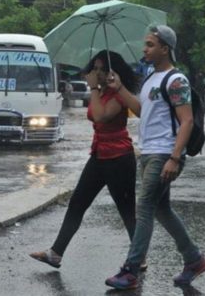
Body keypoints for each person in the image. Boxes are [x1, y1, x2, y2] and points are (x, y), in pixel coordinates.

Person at [105, 25, 205, 290]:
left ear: (165, 48)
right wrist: (118, 89)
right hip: (149, 152)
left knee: (145, 206)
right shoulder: (151, 78)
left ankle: (131, 271)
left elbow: (186, 121)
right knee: (161, 209)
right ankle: (194, 259)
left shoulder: (176, 81)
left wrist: (175, 157)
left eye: (150, 44)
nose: (144, 49)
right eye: (145, 44)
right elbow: (143, 110)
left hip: (165, 153)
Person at [29, 50, 143, 270]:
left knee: (126, 210)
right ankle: (56, 253)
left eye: (102, 69)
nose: (97, 73)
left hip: (119, 158)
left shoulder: (118, 94)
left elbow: (100, 116)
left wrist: (93, 88)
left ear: (113, 71)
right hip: (99, 154)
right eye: (95, 68)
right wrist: (96, 90)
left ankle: (140, 257)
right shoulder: (102, 93)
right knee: (78, 203)